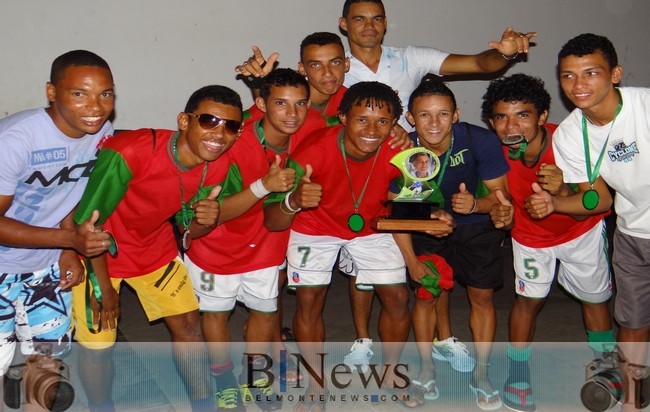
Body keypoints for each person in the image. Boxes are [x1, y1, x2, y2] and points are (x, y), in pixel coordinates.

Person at [338, 0, 536, 369]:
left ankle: (443, 338)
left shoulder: (411, 58)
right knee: (362, 271)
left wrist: (504, 55)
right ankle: (362, 339)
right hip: (361, 174)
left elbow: (479, 63)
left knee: (427, 267)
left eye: (377, 18)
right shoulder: (338, 70)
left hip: (411, 168)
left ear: (386, 23)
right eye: (359, 19)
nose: (369, 25)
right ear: (344, 24)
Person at [264, 81, 450, 410]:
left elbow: (409, 202)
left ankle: (391, 372)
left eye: (382, 122)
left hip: (371, 224)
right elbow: (273, 218)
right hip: (315, 224)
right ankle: (315, 385)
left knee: (397, 296)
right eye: (361, 119)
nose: (372, 129)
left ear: (394, 124)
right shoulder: (313, 149)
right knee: (309, 298)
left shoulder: (400, 152)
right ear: (342, 118)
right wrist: (295, 199)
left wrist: (429, 215)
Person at [72, 85, 247, 412]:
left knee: (190, 328)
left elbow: (187, 229)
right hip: (98, 253)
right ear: (184, 121)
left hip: (153, 249)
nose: (219, 133)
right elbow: (87, 227)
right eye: (209, 120)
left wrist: (207, 219)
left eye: (231, 126)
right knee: (99, 345)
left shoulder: (220, 166)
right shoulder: (131, 151)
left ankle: (203, 405)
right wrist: (104, 287)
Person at [527, 33, 649, 410]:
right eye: (568, 76)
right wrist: (557, 204)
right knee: (632, 322)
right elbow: (600, 198)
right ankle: (634, 399)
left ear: (615, 74)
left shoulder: (644, 106)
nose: (578, 85)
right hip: (631, 235)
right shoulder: (570, 134)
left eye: (590, 73)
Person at [482, 73, 615, 412]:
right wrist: (501, 216)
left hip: (580, 233)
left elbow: (600, 202)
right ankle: (518, 372)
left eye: (522, 115)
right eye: (501, 116)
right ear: (491, 121)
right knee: (528, 301)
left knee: (595, 300)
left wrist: (562, 192)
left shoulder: (570, 141)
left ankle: (607, 365)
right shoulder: (493, 154)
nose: (512, 126)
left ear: (541, 117)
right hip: (530, 237)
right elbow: (497, 202)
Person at [184, 69, 305, 411]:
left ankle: (255, 374)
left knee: (266, 310)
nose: (292, 113)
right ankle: (223, 378)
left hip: (265, 242)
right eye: (281, 103)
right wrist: (265, 185)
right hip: (216, 244)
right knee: (216, 313)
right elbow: (213, 211)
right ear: (262, 105)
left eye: (300, 104)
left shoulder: (307, 131)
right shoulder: (233, 138)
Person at [0, 49, 115, 410]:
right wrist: (69, 240)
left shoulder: (100, 134)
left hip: (46, 267)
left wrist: (67, 250)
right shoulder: (16, 139)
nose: (95, 107)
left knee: (46, 367)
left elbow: (67, 195)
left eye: (106, 94)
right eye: (79, 93)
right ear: (52, 92)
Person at [394, 78, 509, 410]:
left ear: (455, 115)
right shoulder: (402, 151)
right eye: (424, 115)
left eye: (443, 114)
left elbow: (502, 200)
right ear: (410, 119)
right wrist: (431, 219)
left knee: (482, 297)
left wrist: (474, 205)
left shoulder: (480, 141)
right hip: (427, 228)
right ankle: (427, 370)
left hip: (476, 226)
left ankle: (482, 375)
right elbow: (397, 209)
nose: (434, 123)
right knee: (428, 293)